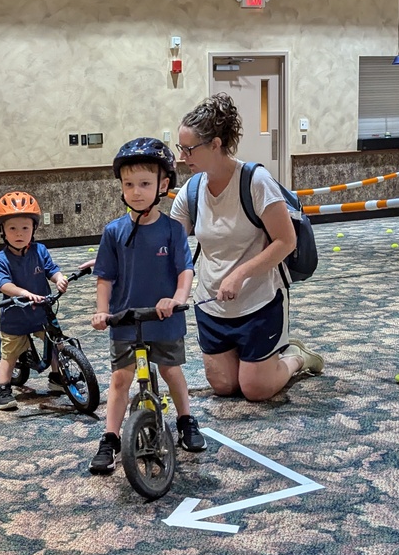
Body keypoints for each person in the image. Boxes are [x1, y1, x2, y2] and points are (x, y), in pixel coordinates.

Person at [170, 93, 323, 402]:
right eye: (180, 148)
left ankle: (295, 356)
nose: (183, 156)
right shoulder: (192, 188)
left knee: (256, 389)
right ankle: (253, 360)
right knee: (224, 386)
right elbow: (169, 242)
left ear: (215, 144)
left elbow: (286, 241)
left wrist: (240, 275)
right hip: (212, 303)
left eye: (188, 149)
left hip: (259, 301)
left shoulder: (255, 180)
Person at [89, 138, 204, 475]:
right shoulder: (114, 232)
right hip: (125, 319)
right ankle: (110, 439)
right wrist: (101, 310)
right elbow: (105, 278)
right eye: (128, 184)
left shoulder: (172, 231)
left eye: (144, 184)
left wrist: (179, 298)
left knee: (171, 372)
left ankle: (185, 421)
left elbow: (185, 270)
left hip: (164, 319)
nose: (136, 191)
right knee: (120, 380)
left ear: (162, 186)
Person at [0, 191, 69, 410]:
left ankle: (56, 378)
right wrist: (23, 292)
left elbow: (51, 270)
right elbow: (4, 284)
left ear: (33, 229)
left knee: (56, 343)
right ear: (2, 231)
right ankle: (3, 388)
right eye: (12, 228)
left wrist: (59, 279)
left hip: (42, 311)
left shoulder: (39, 250)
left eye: (25, 228)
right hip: (16, 315)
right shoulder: (0, 258)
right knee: (10, 353)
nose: (19, 233)